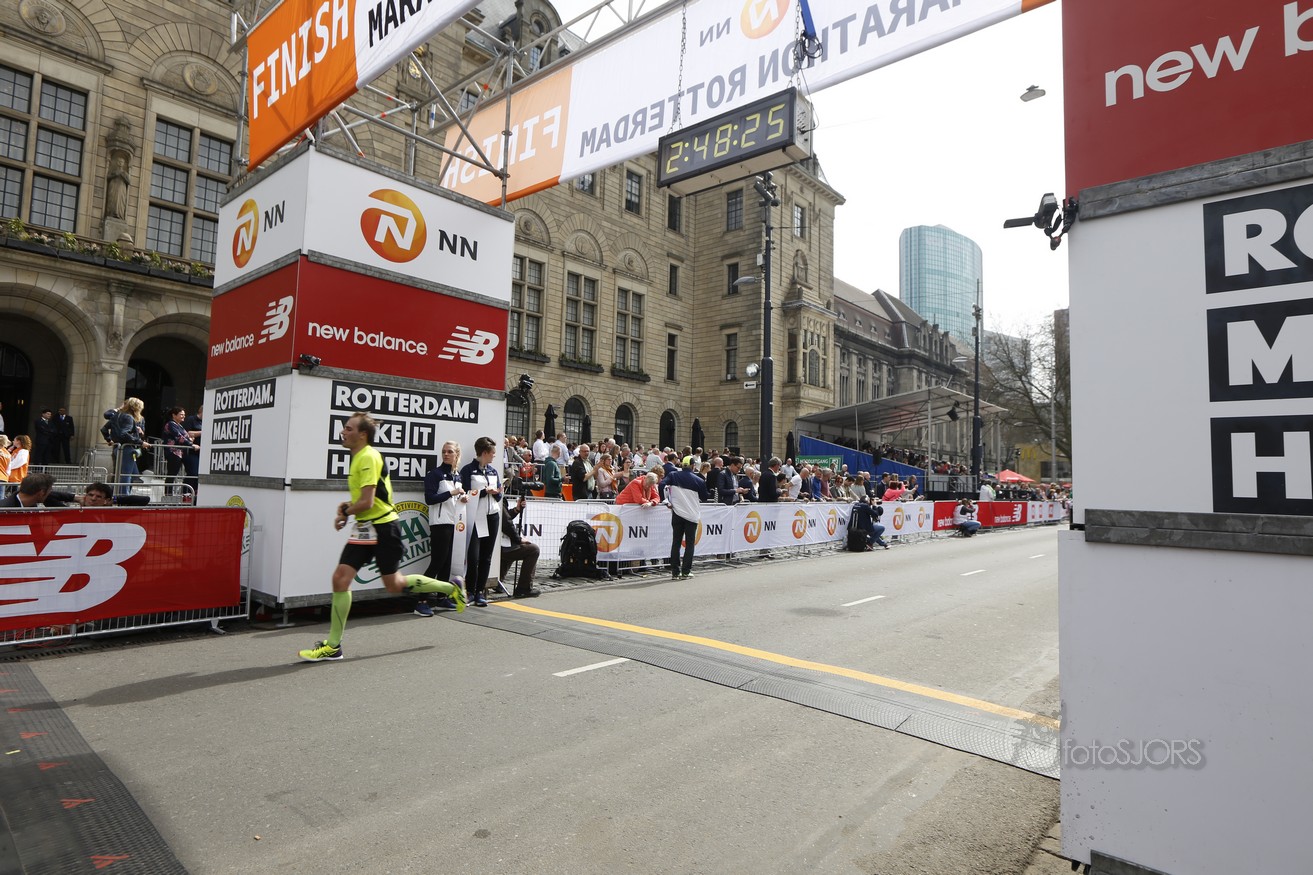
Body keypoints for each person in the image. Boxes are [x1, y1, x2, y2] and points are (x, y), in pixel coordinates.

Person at [298, 412, 465, 663]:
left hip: (385, 528)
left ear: (362, 435)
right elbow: (367, 500)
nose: (343, 432)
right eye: (344, 428)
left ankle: (451, 588)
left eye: (349, 428)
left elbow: (367, 502)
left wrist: (345, 511)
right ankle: (333, 646)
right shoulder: (358, 456)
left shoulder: (368, 457)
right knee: (340, 578)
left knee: (394, 584)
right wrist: (347, 508)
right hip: (366, 527)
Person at [417, 440, 465, 616]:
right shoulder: (435, 474)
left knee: (447, 563)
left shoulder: (457, 475)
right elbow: (430, 499)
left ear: (457, 455)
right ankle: (421, 601)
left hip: (454, 523)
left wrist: (462, 498)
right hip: (439, 523)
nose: (446, 454)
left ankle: (441, 598)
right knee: (437, 562)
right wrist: (451, 493)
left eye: (450, 452)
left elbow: (455, 499)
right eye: (444, 451)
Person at [459, 435, 503, 607]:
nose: (494, 456)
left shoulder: (493, 471)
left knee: (487, 556)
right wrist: (484, 492)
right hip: (476, 517)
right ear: (484, 453)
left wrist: (498, 492)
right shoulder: (468, 470)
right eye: (492, 453)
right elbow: (464, 493)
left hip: (492, 516)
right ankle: (470, 591)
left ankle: (480, 592)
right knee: (473, 556)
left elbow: (498, 495)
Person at [664, 456, 708, 580]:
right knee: (689, 544)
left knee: (676, 542)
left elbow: (661, 484)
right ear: (693, 466)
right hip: (691, 515)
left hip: (677, 513)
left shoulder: (673, 475)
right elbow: (704, 497)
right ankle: (686, 571)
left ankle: (675, 572)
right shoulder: (699, 480)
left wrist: (666, 500)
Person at [499, 494, 540, 598]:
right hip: (497, 544)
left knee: (512, 549)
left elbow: (504, 517)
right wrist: (519, 539)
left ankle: (498, 581)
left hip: (497, 542)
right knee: (533, 550)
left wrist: (516, 510)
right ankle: (524, 588)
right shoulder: (496, 497)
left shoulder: (496, 497)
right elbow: (505, 522)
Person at [108, 398, 149, 493]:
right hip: (126, 448)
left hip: (130, 448)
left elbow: (104, 429)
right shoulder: (125, 416)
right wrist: (140, 442)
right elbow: (123, 433)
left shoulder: (138, 418)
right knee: (124, 474)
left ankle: (119, 493)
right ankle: (122, 495)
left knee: (132, 474)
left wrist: (140, 433)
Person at [162, 407, 199, 499]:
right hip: (173, 453)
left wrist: (190, 440)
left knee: (191, 472)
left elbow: (186, 437)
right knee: (172, 474)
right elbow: (179, 437)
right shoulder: (171, 424)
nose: (183, 416)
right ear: (174, 415)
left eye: (184, 414)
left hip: (181, 453)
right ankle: (168, 496)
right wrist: (191, 444)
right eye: (181, 414)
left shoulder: (179, 425)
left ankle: (186, 493)